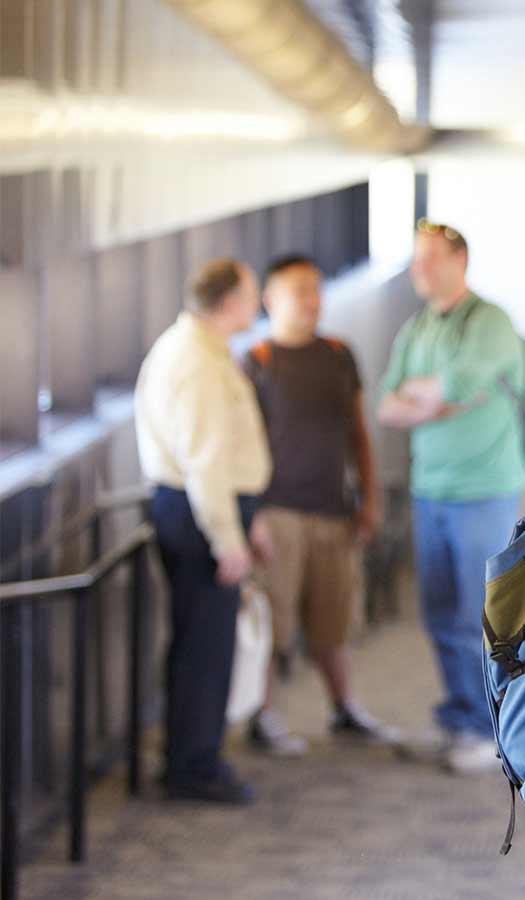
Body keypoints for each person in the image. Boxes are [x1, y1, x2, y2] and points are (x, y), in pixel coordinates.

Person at [377, 220, 525, 774]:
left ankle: (494, 733)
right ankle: (463, 718)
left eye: (431, 258)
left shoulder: (488, 322)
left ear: (460, 261)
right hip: (430, 489)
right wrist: (434, 401)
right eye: (416, 259)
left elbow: (451, 387)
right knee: (440, 614)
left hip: (483, 489)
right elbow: (387, 405)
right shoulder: (418, 328)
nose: (420, 270)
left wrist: (432, 396)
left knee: (480, 618)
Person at [240, 255, 393, 757]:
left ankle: (344, 708)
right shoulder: (258, 360)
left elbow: (358, 434)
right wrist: (253, 516)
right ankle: (261, 716)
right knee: (275, 622)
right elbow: (246, 446)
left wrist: (368, 499)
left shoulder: (338, 355)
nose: (311, 300)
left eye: (315, 289)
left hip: (333, 510)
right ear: (271, 298)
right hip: (278, 512)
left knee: (333, 620)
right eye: (298, 290)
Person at [135, 258, 272, 804]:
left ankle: (191, 756)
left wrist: (247, 519)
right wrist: (228, 539)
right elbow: (206, 465)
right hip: (199, 517)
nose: (257, 302)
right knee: (204, 646)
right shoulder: (196, 361)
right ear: (230, 302)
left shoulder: (199, 349)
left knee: (202, 641)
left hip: (201, 510)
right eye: (252, 293)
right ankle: (193, 766)